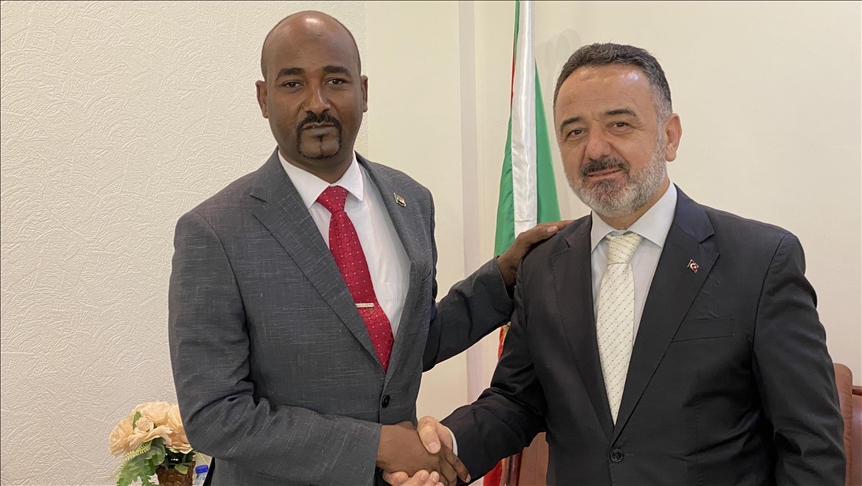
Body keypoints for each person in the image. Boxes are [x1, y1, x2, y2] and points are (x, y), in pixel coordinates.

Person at [394, 43, 845, 485]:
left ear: (669, 136)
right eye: (574, 132)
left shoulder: (760, 260)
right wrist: (448, 445)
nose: (595, 149)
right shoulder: (542, 265)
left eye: (619, 124)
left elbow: (811, 444)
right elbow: (518, 400)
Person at [167, 11, 565, 486]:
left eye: (335, 80)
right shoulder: (214, 231)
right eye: (292, 84)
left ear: (364, 91)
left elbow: (408, 345)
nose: (317, 103)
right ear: (263, 98)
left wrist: (502, 276)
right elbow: (215, 415)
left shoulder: (410, 200)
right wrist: (378, 446)